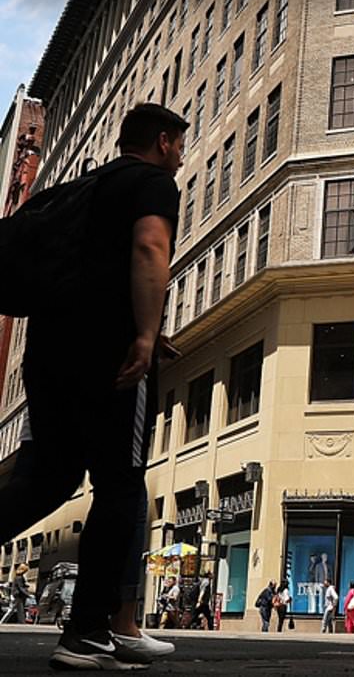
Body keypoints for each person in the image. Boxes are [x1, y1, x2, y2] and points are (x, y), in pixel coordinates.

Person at [0, 103, 186, 669]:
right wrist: (147, 335)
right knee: (120, 484)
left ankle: (98, 630)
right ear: (161, 142)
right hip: (112, 358)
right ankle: (85, 633)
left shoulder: (83, 186)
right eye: (179, 144)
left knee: (49, 477)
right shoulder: (153, 184)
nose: (180, 155)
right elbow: (150, 248)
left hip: (50, 354)